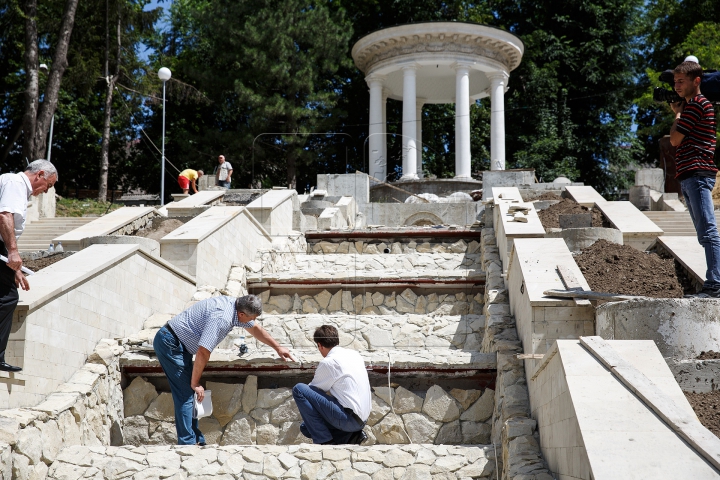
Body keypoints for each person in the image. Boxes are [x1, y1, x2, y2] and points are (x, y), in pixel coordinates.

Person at [153, 294, 295, 445]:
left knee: (189, 393)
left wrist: (277, 347)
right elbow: (203, 352)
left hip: (180, 344)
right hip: (170, 344)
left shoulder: (235, 307)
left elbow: (255, 328)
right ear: (242, 314)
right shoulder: (222, 319)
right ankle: (186, 444)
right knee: (185, 393)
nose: (254, 321)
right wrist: (195, 383)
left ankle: (196, 439)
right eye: (252, 317)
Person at [0, 160, 57, 372]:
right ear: (40, 174)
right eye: (48, 186)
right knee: (7, 298)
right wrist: (13, 252)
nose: (45, 192)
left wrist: (14, 268)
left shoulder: (14, 184)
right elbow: (4, 216)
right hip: (2, 246)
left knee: (7, 297)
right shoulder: (16, 183)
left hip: (2, 249)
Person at [669, 61, 719, 298]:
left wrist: (677, 114)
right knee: (703, 234)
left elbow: (674, 139)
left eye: (681, 81)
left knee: (708, 231)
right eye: (675, 81)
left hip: (698, 173)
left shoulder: (698, 105)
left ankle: (715, 284)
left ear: (696, 81)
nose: (676, 86)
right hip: (691, 174)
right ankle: (714, 281)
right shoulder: (694, 106)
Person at [292, 325, 370, 445]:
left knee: (299, 389)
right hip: (362, 420)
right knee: (306, 427)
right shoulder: (355, 355)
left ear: (320, 345)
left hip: (349, 419)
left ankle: (325, 442)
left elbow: (312, 390)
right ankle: (351, 437)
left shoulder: (329, 362)